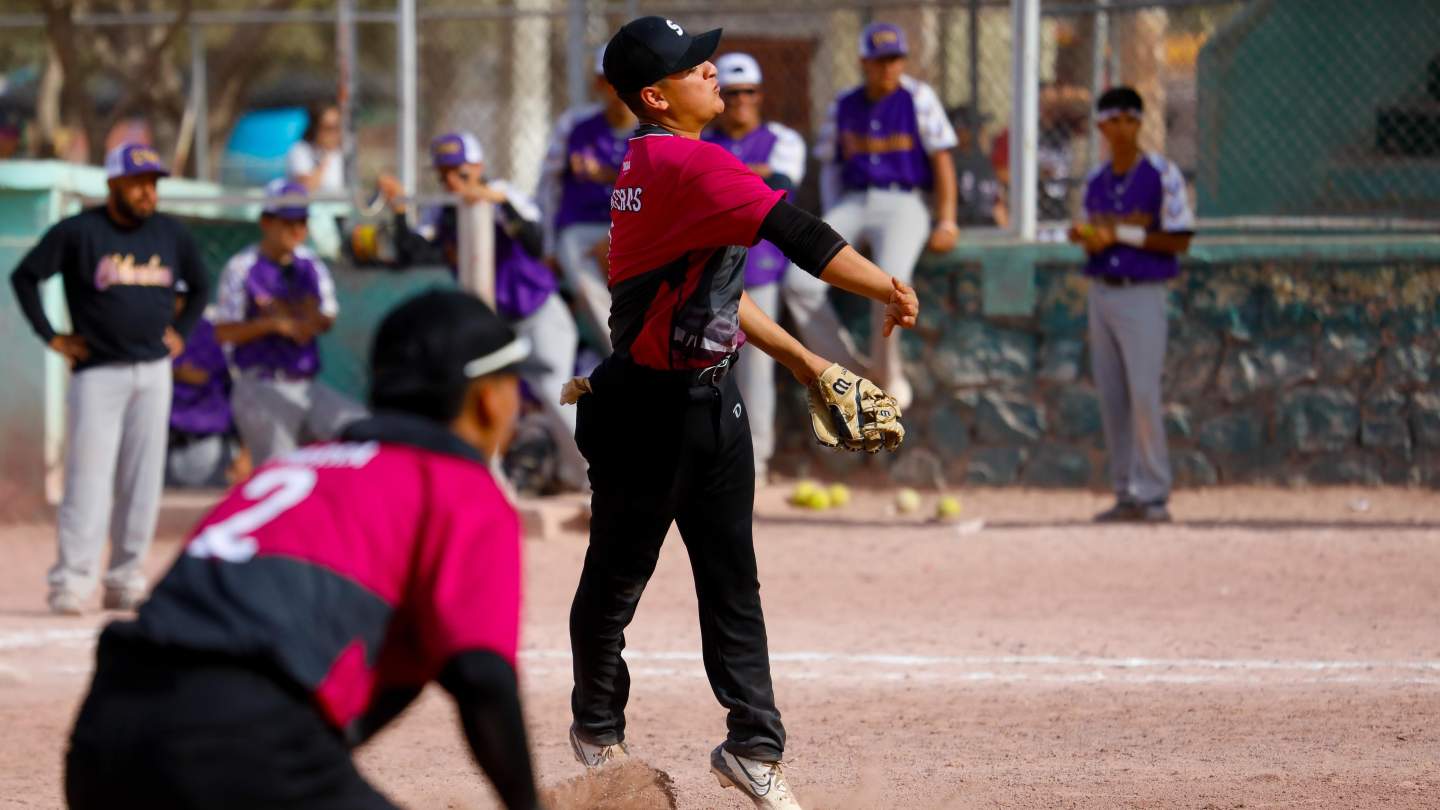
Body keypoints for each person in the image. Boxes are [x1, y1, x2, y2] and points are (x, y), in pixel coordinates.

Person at [565, 17, 919, 810]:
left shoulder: (658, 162)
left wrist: (806, 362)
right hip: (647, 414)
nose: (711, 69)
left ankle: (753, 746)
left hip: (709, 404)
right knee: (616, 582)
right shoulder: (683, 163)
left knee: (732, 581)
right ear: (656, 96)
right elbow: (803, 238)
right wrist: (889, 288)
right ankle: (597, 731)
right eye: (693, 65)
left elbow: (718, 292)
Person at [65, 289, 542, 810]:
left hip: (104, 737)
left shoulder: (293, 467)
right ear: (488, 399)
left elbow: (408, 670)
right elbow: (481, 676)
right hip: (239, 740)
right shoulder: (458, 487)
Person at [10, 143, 211, 615]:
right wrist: (52, 336)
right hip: (98, 372)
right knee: (89, 479)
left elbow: (201, 286)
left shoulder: (170, 234)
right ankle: (72, 580)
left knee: (143, 481)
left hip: (154, 371)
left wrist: (181, 333)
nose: (147, 192)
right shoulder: (81, 232)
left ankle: (126, 578)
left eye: (153, 183)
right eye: (138, 183)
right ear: (114, 184)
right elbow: (25, 277)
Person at [379, 132, 588, 493]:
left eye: (459, 171)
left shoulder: (502, 193)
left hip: (538, 312)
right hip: (495, 325)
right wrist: (399, 210)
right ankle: (495, 485)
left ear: (477, 167)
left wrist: (495, 202)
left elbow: (535, 241)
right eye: (444, 174)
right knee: (487, 404)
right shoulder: (444, 210)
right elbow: (413, 253)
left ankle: (594, 481)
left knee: (556, 393)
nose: (451, 181)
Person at [784, 22, 957, 410]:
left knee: (890, 284)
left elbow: (942, 159)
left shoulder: (918, 97)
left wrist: (947, 220)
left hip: (904, 201)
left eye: (895, 59)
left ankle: (887, 374)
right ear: (863, 62)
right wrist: (833, 218)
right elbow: (830, 165)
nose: (888, 67)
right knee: (797, 282)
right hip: (853, 202)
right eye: (880, 60)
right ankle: (847, 372)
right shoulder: (844, 103)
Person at [1067, 86, 1194, 523]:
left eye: (1130, 119)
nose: (1123, 128)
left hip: (1142, 292)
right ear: (1101, 127)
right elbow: (1091, 233)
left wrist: (1119, 233)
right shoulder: (1095, 180)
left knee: (1143, 393)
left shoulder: (1161, 173)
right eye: (1113, 120)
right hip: (1102, 290)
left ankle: (1153, 492)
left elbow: (1179, 238)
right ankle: (1126, 491)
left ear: (1140, 123)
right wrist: (1088, 237)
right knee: (1113, 396)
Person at [702, 52, 807, 483]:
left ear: (760, 94)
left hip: (760, 264)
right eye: (732, 93)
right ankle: (712, 457)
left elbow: (781, 184)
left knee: (757, 369)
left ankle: (756, 460)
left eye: (748, 91)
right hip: (710, 267)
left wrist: (724, 179)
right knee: (709, 365)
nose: (741, 100)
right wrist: (751, 175)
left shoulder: (782, 138)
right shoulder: (703, 140)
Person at [214, 179, 365, 467]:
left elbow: (327, 316)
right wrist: (272, 325)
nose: (297, 230)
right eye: (288, 222)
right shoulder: (242, 266)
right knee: (280, 470)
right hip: (261, 383)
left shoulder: (309, 264)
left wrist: (309, 320)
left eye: (302, 222)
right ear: (266, 222)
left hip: (307, 384)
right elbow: (223, 332)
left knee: (359, 431)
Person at [538, 45, 638, 356]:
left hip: (633, 228)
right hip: (581, 228)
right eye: (610, 80)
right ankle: (625, 356)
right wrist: (548, 246)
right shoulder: (576, 125)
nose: (618, 88)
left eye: (628, 78)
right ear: (598, 84)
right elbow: (549, 186)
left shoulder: (654, 128)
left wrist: (606, 176)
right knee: (585, 281)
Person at [166, 280, 247, 488]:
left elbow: (203, 377)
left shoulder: (207, 331)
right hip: (163, 444)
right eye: (170, 295)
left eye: (180, 297)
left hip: (206, 443)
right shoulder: (150, 330)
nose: (174, 302)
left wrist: (244, 449)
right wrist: (174, 373)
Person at [949, 105, 1005, 227]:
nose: (984, 132)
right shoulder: (951, 166)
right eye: (978, 128)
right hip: (966, 230)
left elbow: (999, 208)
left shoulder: (985, 164)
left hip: (991, 230)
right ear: (960, 132)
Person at [286, 102, 345, 194]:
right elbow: (305, 188)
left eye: (337, 127)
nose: (334, 133)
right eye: (329, 128)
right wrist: (325, 158)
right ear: (315, 128)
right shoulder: (300, 150)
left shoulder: (344, 152)